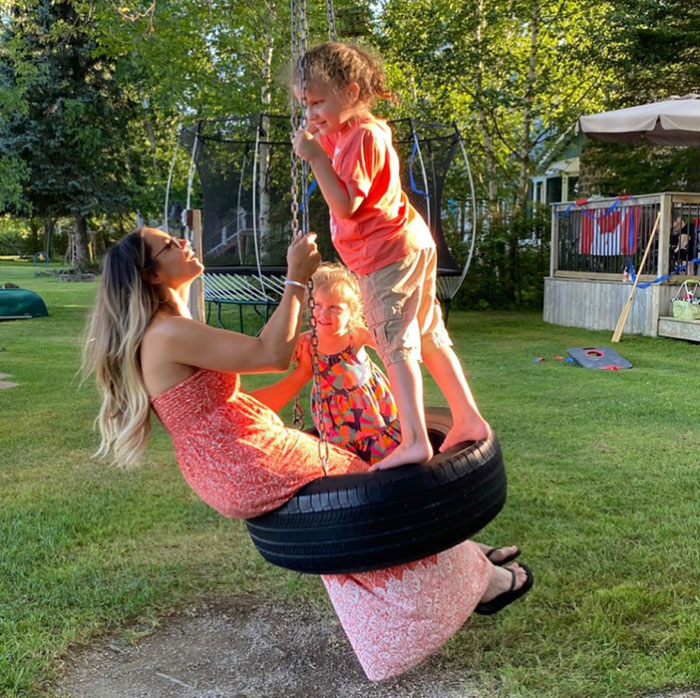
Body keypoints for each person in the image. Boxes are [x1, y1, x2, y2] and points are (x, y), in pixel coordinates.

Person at [82, 227, 532, 682]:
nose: (182, 242)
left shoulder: (169, 328)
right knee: (372, 495)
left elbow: (231, 401)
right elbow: (270, 352)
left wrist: (298, 379)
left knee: (348, 507)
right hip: (243, 460)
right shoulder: (168, 333)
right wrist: (296, 278)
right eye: (168, 245)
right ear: (151, 274)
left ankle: (465, 553)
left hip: (230, 461)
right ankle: (484, 583)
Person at [292, 42, 488, 470]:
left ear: (351, 92)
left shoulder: (362, 137)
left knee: (394, 342)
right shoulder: (354, 134)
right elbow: (332, 152)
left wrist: (314, 157)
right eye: (305, 105)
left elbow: (345, 204)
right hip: (409, 244)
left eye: (317, 102)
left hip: (384, 255)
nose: (311, 113)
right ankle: (469, 418)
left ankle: (414, 439)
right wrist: (319, 137)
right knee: (429, 332)